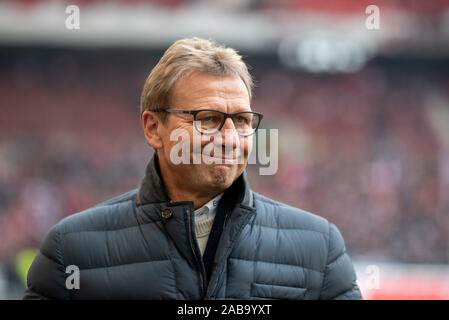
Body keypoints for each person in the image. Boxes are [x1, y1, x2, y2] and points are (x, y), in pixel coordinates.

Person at [23, 37, 362, 300]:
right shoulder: (72, 250)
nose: (230, 139)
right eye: (209, 119)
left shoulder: (320, 248)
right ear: (154, 128)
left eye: (242, 121)